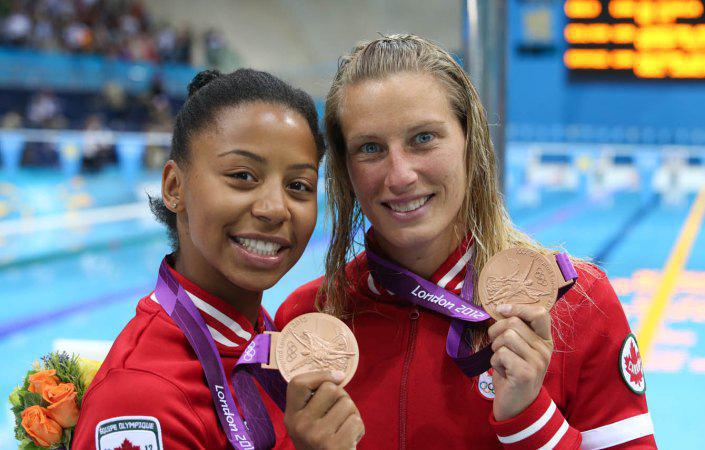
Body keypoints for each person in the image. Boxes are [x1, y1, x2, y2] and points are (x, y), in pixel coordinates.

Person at [276, 35, 656, 449]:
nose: (400, 175)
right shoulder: (307, 323)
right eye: (370, 148)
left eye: (423, 138)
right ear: (346, 171)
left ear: (469, 143)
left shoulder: (576, 304)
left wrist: (531, 421)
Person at [72, 69, 364, 450]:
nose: (275, 208)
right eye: (242, 175)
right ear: (174, 187)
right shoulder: (140, 395)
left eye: (298, 186)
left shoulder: (261, 341)